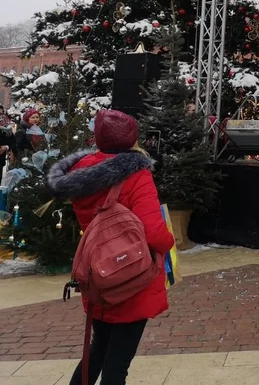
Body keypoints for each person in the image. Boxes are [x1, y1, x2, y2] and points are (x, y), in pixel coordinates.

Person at [47, 109, 174, 385]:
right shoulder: (136, 176)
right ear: (132, 139)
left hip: (98, 274)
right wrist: (169, 243)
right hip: (131, 279)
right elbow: (153, 232)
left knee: (97, 351)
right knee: (117, 365)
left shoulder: (82, 173)